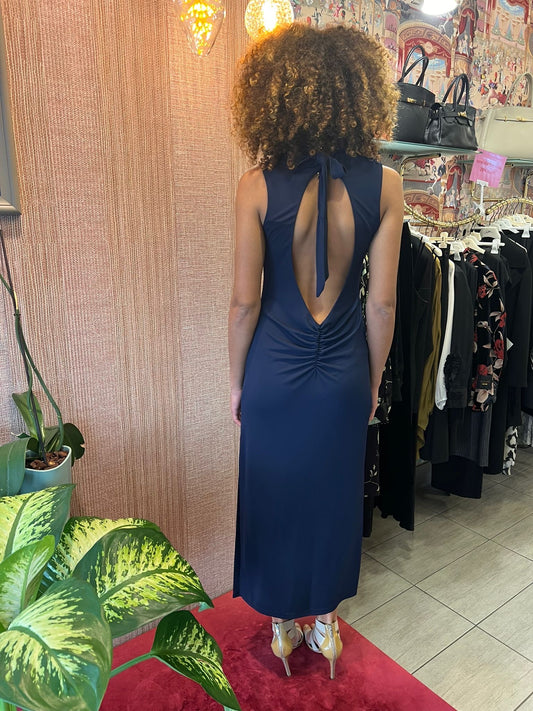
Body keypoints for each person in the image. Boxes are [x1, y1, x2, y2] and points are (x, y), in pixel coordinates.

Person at [228, 23, 403, 679]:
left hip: (272, 371)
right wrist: (372, 382)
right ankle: (325, 626)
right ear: (361, 97)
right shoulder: (386, 186)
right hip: (344, 374)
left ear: (275, 97)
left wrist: (237, 383)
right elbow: (381, 306)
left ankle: (281, 627)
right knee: (332, 497)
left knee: (275, 494)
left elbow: (244, 304)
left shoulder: (254, 185)